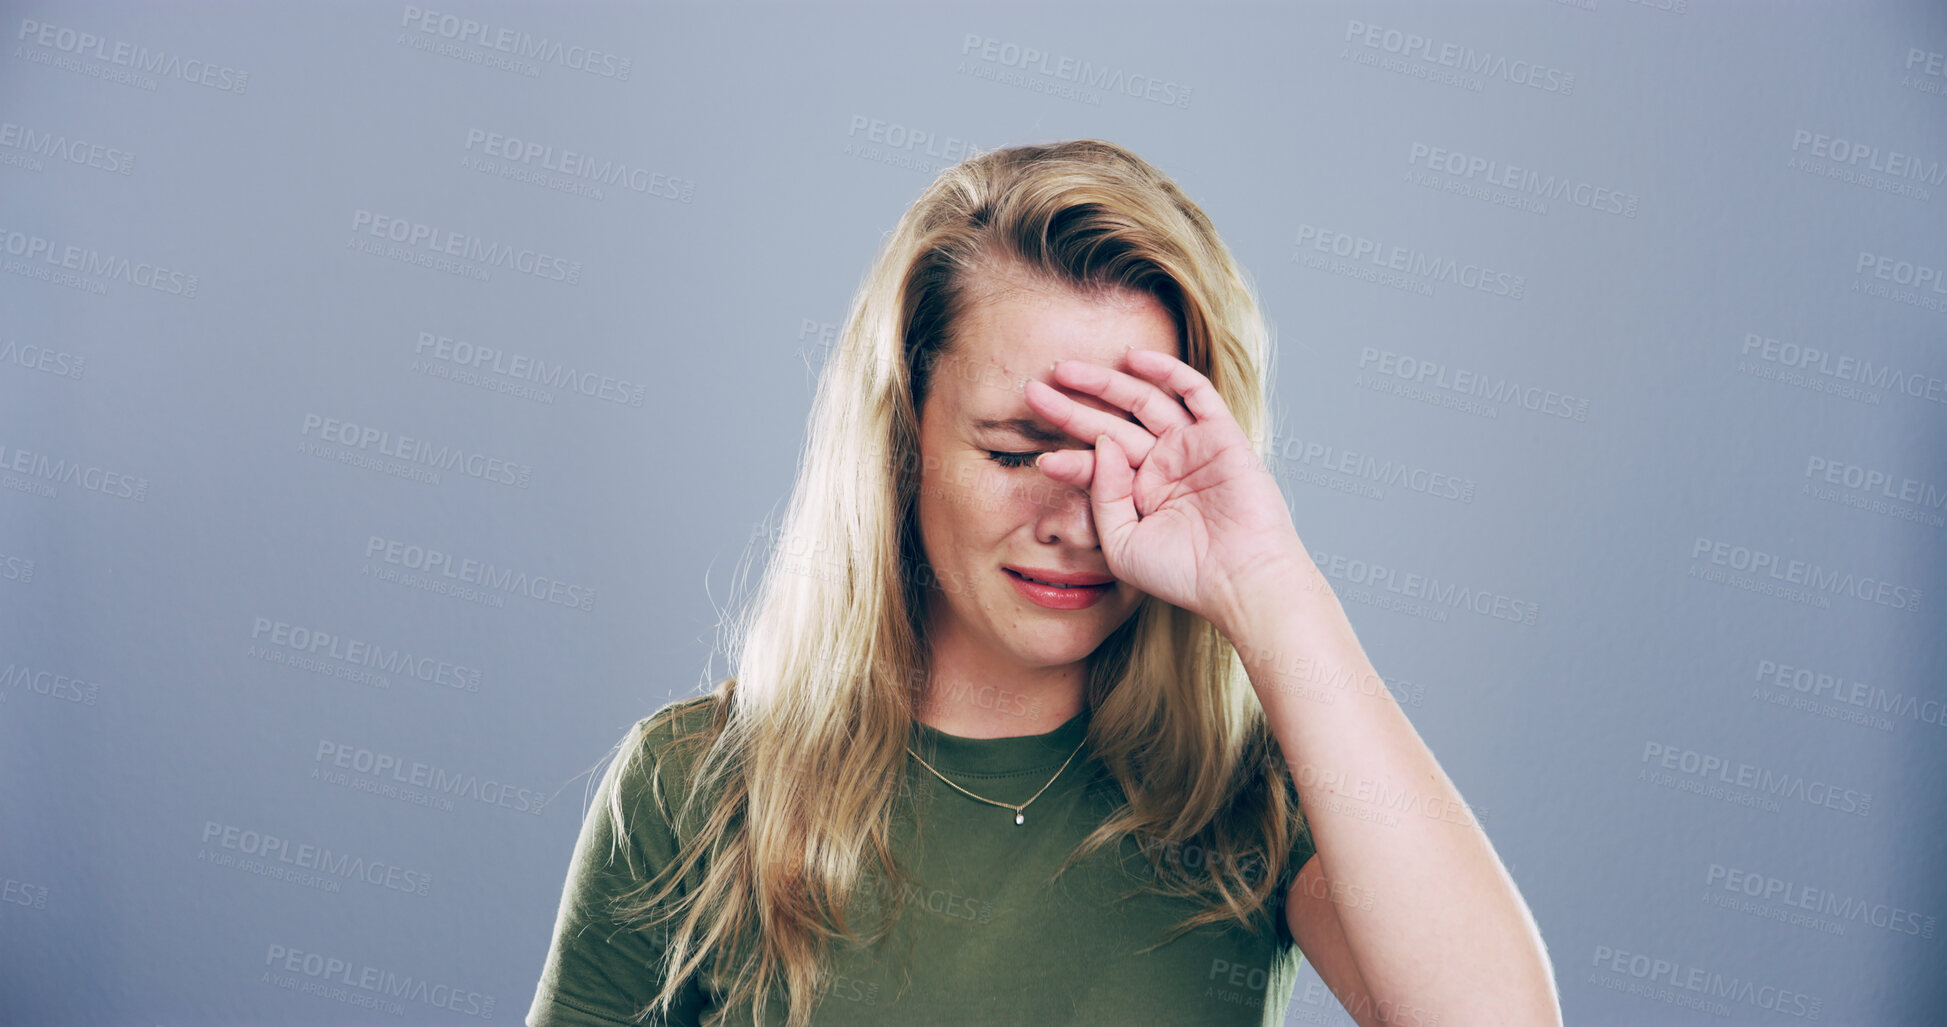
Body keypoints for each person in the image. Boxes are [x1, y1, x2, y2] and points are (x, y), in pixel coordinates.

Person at [526, 139, 1561, 1027]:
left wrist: (1269, 582)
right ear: (904, 441)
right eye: (1019, 454)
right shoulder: (694, 785)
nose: (1077, 521)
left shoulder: (1250, 793)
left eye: (1128, 454)